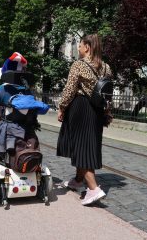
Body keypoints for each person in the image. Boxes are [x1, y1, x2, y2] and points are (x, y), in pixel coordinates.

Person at [56, 34, 113, 206]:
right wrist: (107, 113)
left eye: (80, 45)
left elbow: (69, 89)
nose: (78, 48)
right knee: (88, 145)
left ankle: (94, 189)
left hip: (80, 108)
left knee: (81, 145)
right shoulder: (106, 68)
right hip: (96, 111)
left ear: (87, 47)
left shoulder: (78, 65)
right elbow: (107, 94)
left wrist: (62, 107)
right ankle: (78, 180)